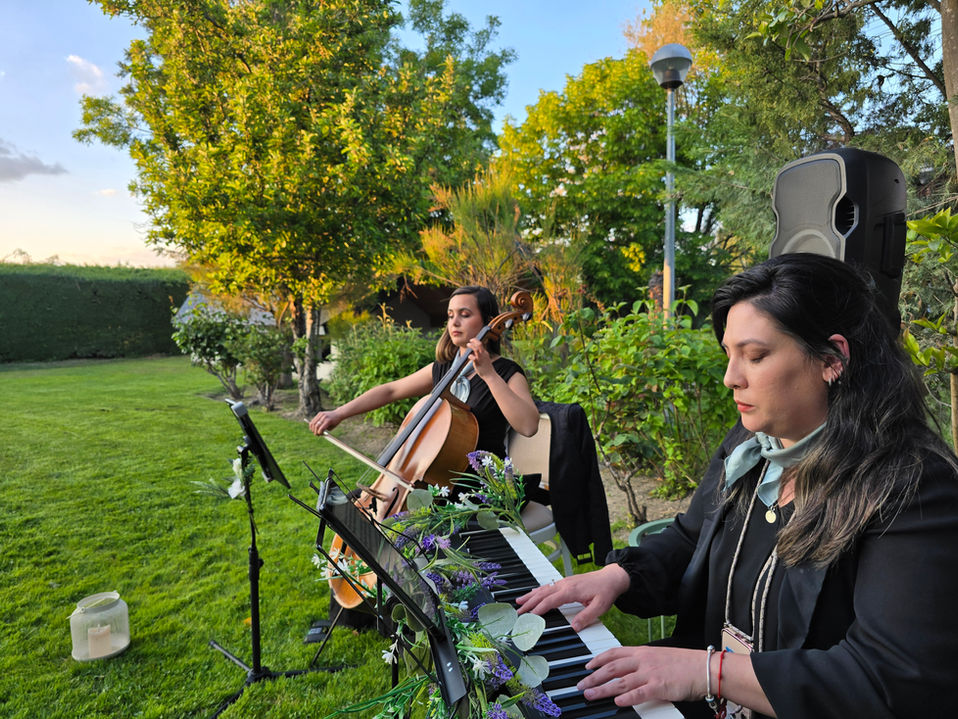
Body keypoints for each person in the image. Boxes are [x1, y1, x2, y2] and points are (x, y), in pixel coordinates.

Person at [517, 253, 958, 719]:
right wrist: (619, 576)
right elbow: (693, 536)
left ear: (832, 359)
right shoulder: (750, 444)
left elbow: (892, 679)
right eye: (729, 355)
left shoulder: (911, 489)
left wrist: (711, 672)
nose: (731, 378)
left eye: (755, 355)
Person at [308, 285, 540, 456]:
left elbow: (528, 426)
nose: (454, 322)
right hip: (435, 479)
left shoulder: (506, 372)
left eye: (465, 314)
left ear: (488, 322)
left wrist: (489, 375)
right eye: (450, 315)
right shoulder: (443, 369)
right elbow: (390, 391)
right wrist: (338, 413)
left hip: (479, 488)